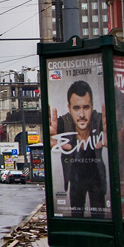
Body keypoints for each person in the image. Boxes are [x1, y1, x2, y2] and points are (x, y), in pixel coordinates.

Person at [50, 80, 109, 219]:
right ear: (69, 108)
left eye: (86, 107)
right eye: (76, 108)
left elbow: (122, 134)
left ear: (92, 106)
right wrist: (48, 138)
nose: (81, 114)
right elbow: (47, 137)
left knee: (99, 216)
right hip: (75, 178)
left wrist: (113, 135)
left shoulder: (100, 120)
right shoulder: (63, 122)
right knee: (76, 215)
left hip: (96, 177)